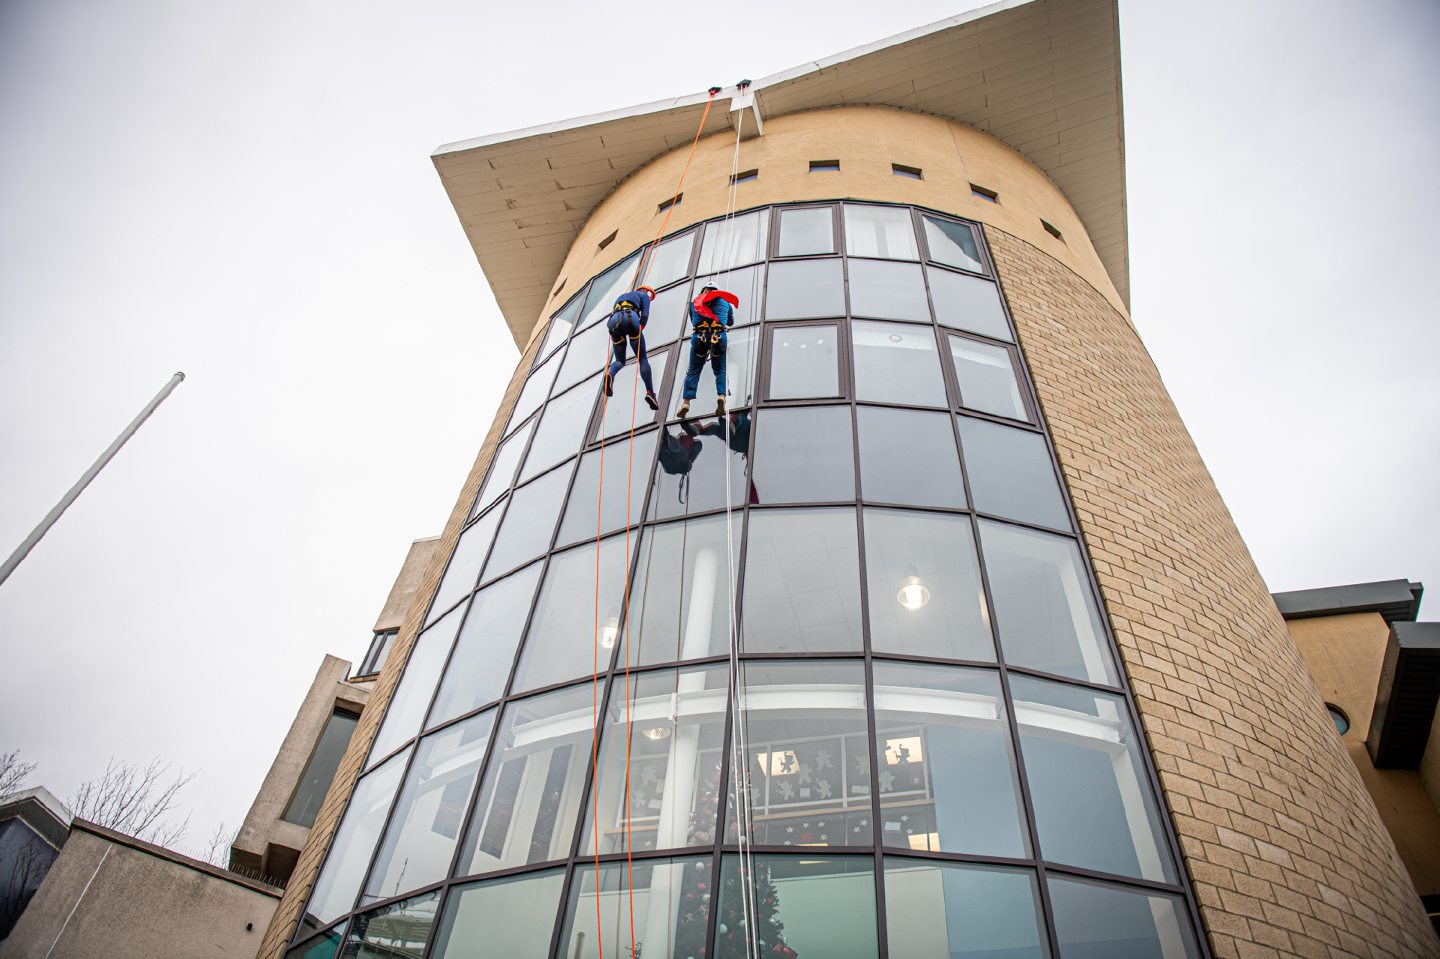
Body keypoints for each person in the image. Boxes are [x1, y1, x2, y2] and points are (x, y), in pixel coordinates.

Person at [677, 285, 739, 419]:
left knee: (694, 369)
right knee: (720, 369)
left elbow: (693, 318)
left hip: (700, 337)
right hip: (719, 337)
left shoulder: (694, 303)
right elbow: (731, 322)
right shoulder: (725, 303)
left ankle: (686, 402)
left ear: (703, 291)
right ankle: (721, 396)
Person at [604, 285, 659, 409]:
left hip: (613, 322)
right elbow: (644, 315)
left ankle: (610, 374)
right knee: (642, 358)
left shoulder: (621, 296)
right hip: (630, 318)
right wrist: (640, 329)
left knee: (619, 361)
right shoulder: (644, 295)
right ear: (646, 291)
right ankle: (650, 393)